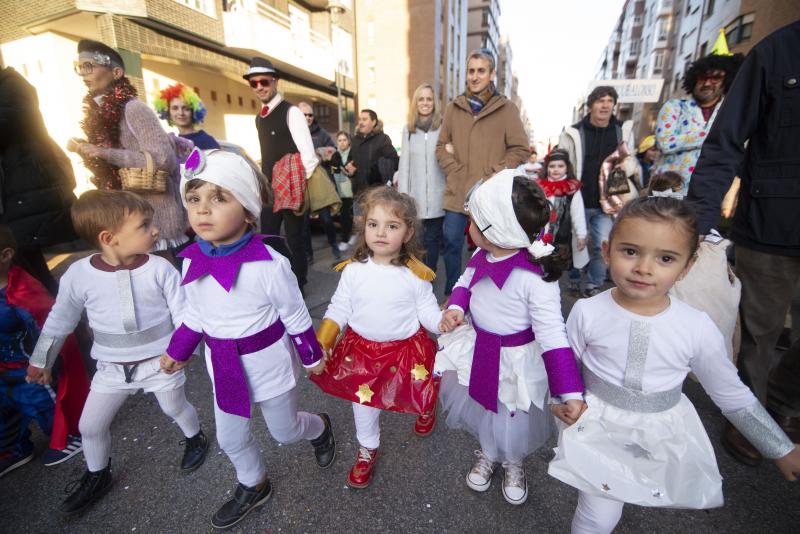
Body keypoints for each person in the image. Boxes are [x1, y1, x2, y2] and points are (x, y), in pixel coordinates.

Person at [547, 197, 800, 534]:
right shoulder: (587, 312)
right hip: (597, 426)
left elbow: (731, 393)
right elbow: (565, 364)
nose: (644, 268)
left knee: (641, 490)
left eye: (665, 258)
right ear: (607, 251)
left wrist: (778, 446)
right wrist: (559, 399)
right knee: (598, 514)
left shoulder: (695, 326)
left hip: (661, 434)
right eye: (631, 251)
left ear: (687, 266)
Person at [159, 149, 335, 529]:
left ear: (249, 211)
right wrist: (178, 349)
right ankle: (253, 483)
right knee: (230, 439)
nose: (203, 210)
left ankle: (319, 427)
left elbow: (294, 313)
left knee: (285, 433)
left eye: (218, 198)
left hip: (267, 364)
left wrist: (311, 355)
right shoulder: (190, 259)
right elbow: (195, 312)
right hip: (223, 366)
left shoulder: (270, 263)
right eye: (194, 199)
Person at [28, 190, 208, 515]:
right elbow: (61, 317)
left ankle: (195, 437)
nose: (155, 231)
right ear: (109, 238)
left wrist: (182, 351)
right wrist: (42, 359)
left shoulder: (160, 269)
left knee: (175, 408)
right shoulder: (79, 275)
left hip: (161, 363)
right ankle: (97, 475)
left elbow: (185, 313)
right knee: (90, 426)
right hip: (110, 369)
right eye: (144, 225)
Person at [687, 20, 800, 466]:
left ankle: (780, 401)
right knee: (759, 335)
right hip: (769, 225)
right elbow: (725, 142)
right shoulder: (776, 52)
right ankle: (752, 420)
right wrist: (695, 223)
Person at [435, 170, 585, 506]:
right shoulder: (480, 255)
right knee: (486, 409)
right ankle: (488, 453)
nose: (467, 224)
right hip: (481, 349)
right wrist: (457, 307)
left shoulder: (535, 277)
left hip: (516, 361)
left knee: (511, 414)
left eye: (473, 220)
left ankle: (513, 461)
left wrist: (569, 390)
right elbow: (464, 282)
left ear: (492, 230)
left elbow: (552, 335)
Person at [310, 186, 444, 488]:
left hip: (406, 351)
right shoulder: (354, 270)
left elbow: (426, 311)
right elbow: (339, 306)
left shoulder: (416, 273)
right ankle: (367, 449)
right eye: (374, 224)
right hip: (361, 354)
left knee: (421, 388)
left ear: (408, 233)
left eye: (392, 226)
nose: (381, 233)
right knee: (364, 405)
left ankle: (426, 408)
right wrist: (322, 344)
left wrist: (442, 323)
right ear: (364, 227)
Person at [68, 40, 188, 260]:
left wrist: (105, 153)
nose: (84, 74)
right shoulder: (98, 114)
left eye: (89, 66)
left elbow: (163, 159)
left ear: (116, 72)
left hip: (156, 219)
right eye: (79, 68)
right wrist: (84, 150)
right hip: (128, 219)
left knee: (167, 283)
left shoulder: (135, 109)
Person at [436, 49, 530, 295]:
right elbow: (440, 146)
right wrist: (453, 168)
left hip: (489, 191)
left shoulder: (506, 109)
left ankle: (482, 295)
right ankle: (453, 293)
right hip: (457, 190)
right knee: (452, 241)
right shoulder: (453, 108)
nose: (475, 76)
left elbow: (521, 149)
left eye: (481, 71)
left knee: (489, 245)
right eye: (471, 71)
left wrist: (494, 172)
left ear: (491, 75)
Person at [0, 226, 87, 478]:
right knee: (4, 418)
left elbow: (48, 327)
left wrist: (43, 362)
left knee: (46, 406)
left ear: (5, 255)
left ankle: (70, 435)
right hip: (4, 372)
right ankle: (14, 449)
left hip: (28, 369)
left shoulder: (22, 292)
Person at [0, 66, 77, 294]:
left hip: (21, 196)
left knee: (27, 273)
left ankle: (56, 324)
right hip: (14, 198)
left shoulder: (11, 86)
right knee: (24, 269)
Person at [245, 57, 317, 291]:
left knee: (295, 238)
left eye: (263, 81)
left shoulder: (291, 112)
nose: (259, 87)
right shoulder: (259, 117)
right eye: (253, 83)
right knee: (268, 236)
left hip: (291, 185)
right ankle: (281, 278)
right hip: (269, 187)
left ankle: (299, 283)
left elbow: (309, 156)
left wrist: (296, 185)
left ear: (274, 81)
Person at [559, 86, 635, 298]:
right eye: (600, 100)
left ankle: (594, 283)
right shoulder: (574, 131)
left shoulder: (623, 130)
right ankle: (574, 279)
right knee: (577, 241)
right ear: (590, 105)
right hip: (579, 198)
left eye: (610, 100)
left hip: (608, 201)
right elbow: (562, 160)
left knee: (603, 244)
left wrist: (625, 167)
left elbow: (632, 160)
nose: (605, 105)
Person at [654, 40, 743, 194]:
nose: (707, 83)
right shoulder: (674, 106)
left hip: (712, 190)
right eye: (702, 78)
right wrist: (714, 136)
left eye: (715, 78)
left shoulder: (731, 112)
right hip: (670, 189)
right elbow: (665, 143)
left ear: (726, 81)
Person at [397, 83, 446, 273]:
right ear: (415, 103)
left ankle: (430, 276)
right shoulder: (408, 129)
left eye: (429, 99)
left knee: (433, 241)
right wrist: (403, 195)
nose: (425, 103)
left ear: (434, 103)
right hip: (414, 198)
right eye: (421, 99)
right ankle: (417, 276)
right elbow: (404, 165)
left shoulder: (442, 128)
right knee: (415, 241)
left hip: (438, 198)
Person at [535, 150, 589, 296]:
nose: (556, 169)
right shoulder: (539, 187)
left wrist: (581, 235)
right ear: (546, 168)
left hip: (562, 237)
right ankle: (540, 292)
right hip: (541, 236)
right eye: (552, 166)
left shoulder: (572, 189)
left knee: (560, 265)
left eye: (560, 166)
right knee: (540, 264)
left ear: (567, 168)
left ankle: (571, 285)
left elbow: (578, 214)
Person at [297, 101, 342, 261]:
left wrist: (319, 152)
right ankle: (308, 254)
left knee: (326, 219)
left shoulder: (320, 133)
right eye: (304, 115)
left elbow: (333, 150)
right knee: (303, 224)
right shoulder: (292, 132)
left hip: (318, 182)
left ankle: (334, 246)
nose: (308, 118)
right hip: (299, 181)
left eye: (310, 115)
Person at [154, 82, 220, 150]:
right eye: (175, 108)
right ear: (168, 112)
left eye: (186, 109)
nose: (181, 113)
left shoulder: (207, 141)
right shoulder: (174, 142)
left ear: (194, 112)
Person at [348, 109, 398, 196]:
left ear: (373, 122)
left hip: (377, 192)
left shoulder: (383, 139)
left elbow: (393, 161)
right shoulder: (355, 140)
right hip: (358, 192)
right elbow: (350, 160)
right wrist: (349, 167)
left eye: (364, 119)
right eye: (360, 119)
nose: (361, 122)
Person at [329, 131, 355, 250]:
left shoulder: (354, 154)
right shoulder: (335, 155)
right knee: (344, 216)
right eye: (339, 140)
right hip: (339, 190)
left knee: (349, 215)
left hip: (352, 189)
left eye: (344, 140)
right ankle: (348, 236)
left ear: (349, 141)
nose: (342, 143)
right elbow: (332, 171)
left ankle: (348, 237)